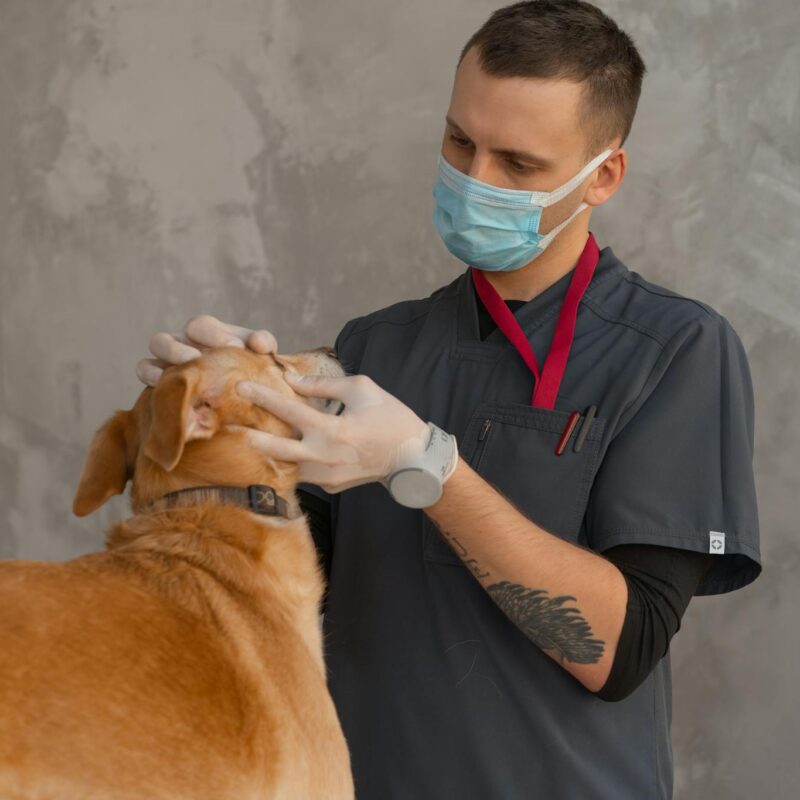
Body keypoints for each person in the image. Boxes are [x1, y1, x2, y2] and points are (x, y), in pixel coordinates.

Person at [136, 2, 761, 797]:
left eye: (519, 165)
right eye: (460, 141)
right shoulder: (373, 350)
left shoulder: (676, 353)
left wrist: (424, 465)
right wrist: (217, 422)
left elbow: (619, 649)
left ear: (603, 174)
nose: (475, 180)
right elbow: (276, 609)